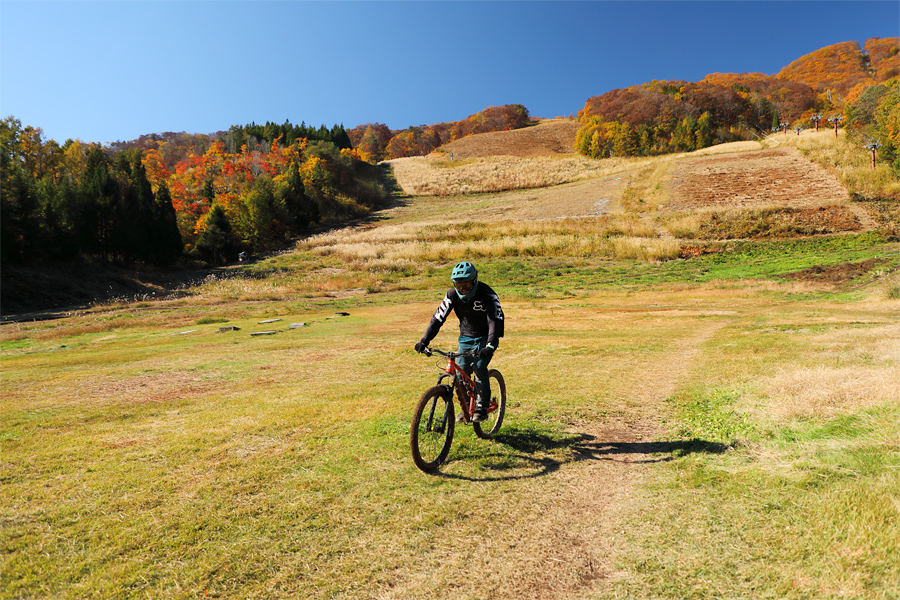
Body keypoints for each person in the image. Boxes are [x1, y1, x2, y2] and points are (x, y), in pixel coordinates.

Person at [414, 261, 504, 422]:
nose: (463, 290)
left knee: (479, 366)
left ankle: (481, 406)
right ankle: (466, 408)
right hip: (466, 337)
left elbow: (495, 320)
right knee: (460, 373)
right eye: (458, 285)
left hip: (486, 337)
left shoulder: (487, 294)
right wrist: (424, 340)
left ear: (475, 281)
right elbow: (438, 318)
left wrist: (490, 344)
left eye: (467, 286)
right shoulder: (452, 295)